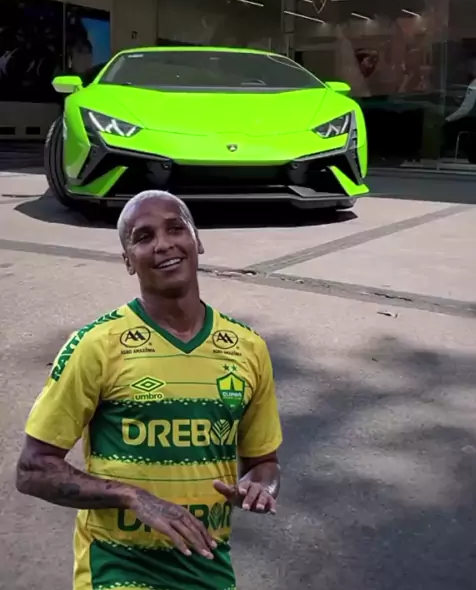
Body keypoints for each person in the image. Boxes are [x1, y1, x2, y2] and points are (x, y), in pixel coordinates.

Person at [16, 190, 282, 590]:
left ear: (197, 240)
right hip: (117, 570)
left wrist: (261, 486)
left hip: (208, 569)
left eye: (176, 229)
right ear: (128, 260)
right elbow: (32, 469)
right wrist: (131, 496)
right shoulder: (97, 344)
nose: (163, 244)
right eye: (143, 237)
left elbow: (265, 461)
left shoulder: (248, 347)